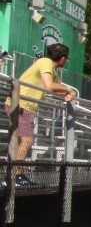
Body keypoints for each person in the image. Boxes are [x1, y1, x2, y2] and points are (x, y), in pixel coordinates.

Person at [7, 43, 75, 186]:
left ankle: (12, 177)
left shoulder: (52, 70)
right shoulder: (45, 62)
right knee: (27, 140)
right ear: (63, 58)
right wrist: (68, 90)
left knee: (20, 142)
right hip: (19, 104)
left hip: (27, 107)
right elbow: (50, 85)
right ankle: (15, 176)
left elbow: (57, 88)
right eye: (67, 58)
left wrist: (69, 93)